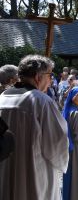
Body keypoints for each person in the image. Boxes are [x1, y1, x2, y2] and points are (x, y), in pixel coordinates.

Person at [0, 54, 69, 200]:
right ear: (38, 77)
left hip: (5, 170)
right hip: (33, 173)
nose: (51, 81)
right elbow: (57, 142)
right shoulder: (41, 101)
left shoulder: (2, 98)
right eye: (50, 75)